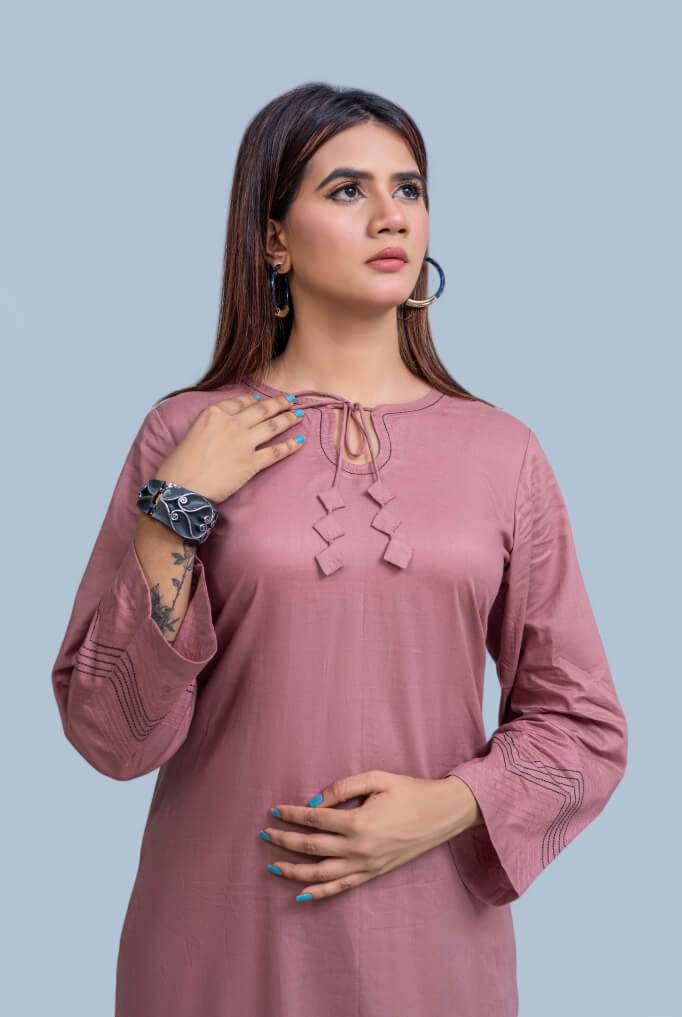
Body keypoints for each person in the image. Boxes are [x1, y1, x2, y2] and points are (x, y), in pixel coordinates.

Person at [51, 82, 628, 1017]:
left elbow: (584, 726)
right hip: (216, 941)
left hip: (427, 945)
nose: (390, 215)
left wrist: (448, 805)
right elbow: (112, 736)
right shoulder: (186, 434)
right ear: (274, 239)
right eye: (348, 189)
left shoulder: (503, 453)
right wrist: (173, 510)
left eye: (409, 188)